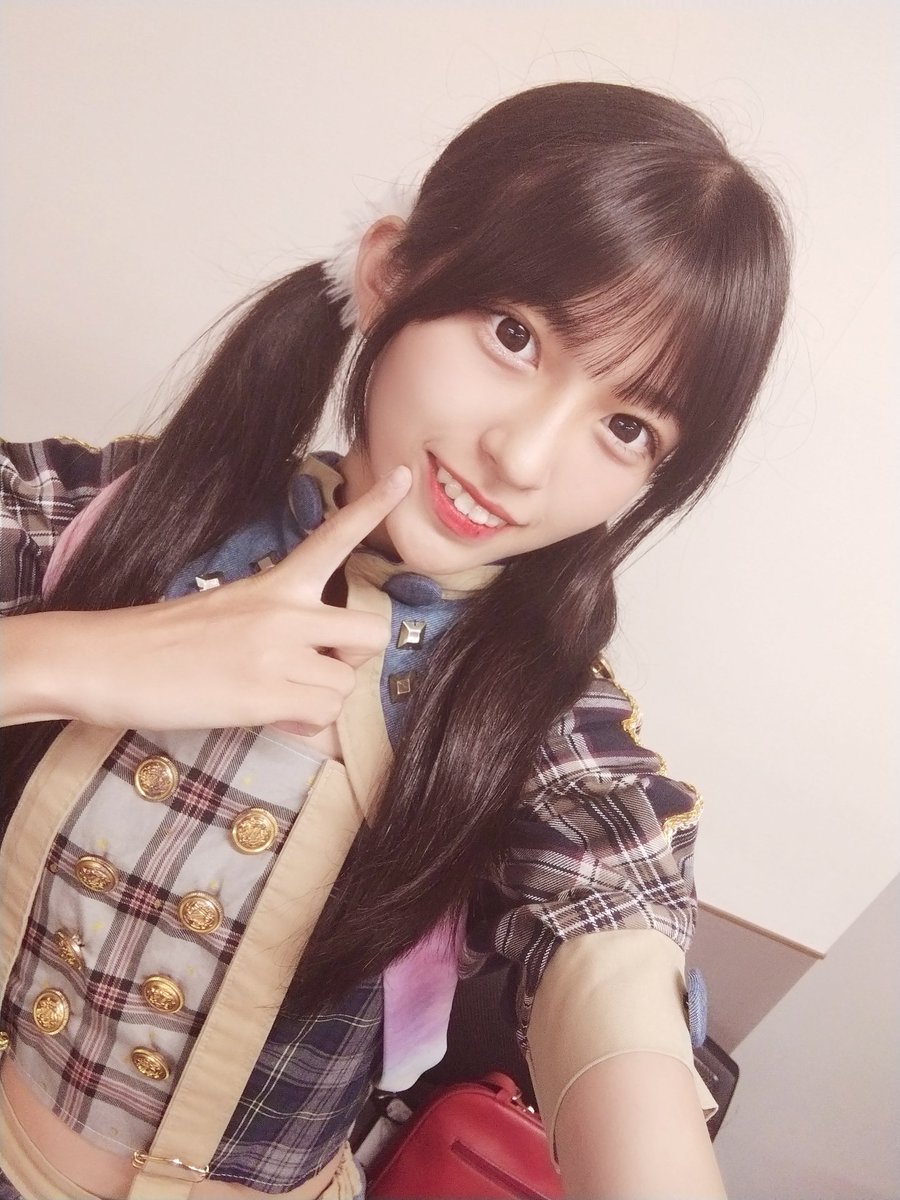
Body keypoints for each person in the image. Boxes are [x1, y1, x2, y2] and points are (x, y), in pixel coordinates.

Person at [0, 81, 789, 1199]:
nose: (523, 458)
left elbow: (610, 920)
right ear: (391, 272)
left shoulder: (534, 711)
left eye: (625, 426)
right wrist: (85, 657)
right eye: (515, 336)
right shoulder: (117, 512)